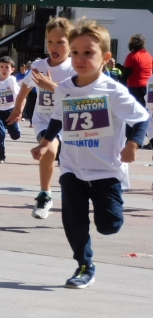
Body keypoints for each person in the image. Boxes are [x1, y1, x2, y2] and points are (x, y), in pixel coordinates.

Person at [32, 20, 148, 289]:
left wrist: (133, 144)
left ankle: (111, 215)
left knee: (108, 225)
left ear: (106, 58)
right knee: (74, 221)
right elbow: (59, 118)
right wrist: (45, 142)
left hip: (106, 169)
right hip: (72, 167)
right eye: (75, 52)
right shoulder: (65, 89)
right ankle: (84, 265)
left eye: (88, 53)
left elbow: (141, 119)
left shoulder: (114, 91)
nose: (80, 59)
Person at [7, 17, 74, 220]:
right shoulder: (39, 65)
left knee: (72, 167)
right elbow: (25, 88)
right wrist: (18, 108)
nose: (54, 46)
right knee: (49, 149)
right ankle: (45, 194)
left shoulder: (74, 68)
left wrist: (52, 87)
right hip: (44, 120)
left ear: (71, 43)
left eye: (60, 42)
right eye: (50, 41)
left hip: (70, 123)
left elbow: (75, 97)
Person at [0, 56, 21, 163]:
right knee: (0, 133)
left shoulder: (12, 80)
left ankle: (15, 129)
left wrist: (19, 111)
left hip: (10, 111)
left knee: (15, 136)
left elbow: (19, 96)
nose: (4, 69)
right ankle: (1, 156)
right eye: (1, 67)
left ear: (12, 70)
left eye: (7, 67)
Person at [121, 34, 152, 108]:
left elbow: (126, 74)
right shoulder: (148, 55)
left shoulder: (132, 56)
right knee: (146, 109)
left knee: (135, 109)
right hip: (149, 87)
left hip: (135, 87)